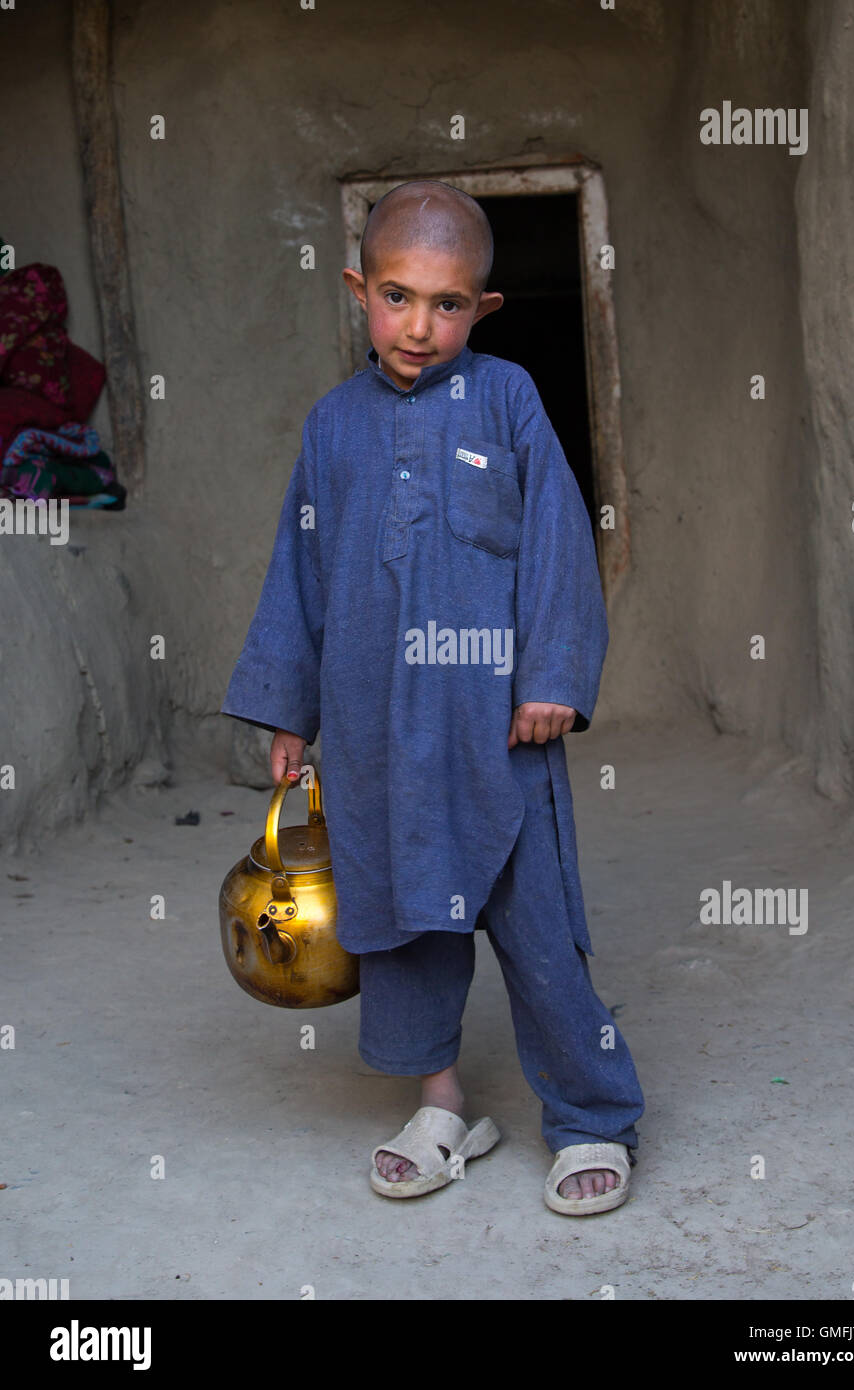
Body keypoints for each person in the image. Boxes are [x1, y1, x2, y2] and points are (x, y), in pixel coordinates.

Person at [221, 180, 644, 1215]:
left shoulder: (505, 402)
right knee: (400, 920)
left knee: (540, 930)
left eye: (448, 304)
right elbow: (301, 572)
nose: (420, 325)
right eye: (399, 297)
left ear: (482, 311)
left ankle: (592, 1115)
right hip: (374, 727)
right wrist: (291, 708)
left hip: (497, 727)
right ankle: (444, 1103)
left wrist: (551, 677)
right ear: (360, 290)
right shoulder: (333, 427)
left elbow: (555, 544)